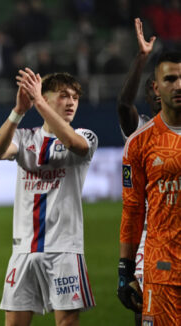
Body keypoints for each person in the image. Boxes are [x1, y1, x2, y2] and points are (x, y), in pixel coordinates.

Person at [0, 69, 98, 326]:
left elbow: (76, 146)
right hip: (23, 250)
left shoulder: (85, 135)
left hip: (64, 250)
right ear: (46, 99)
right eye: (63, 96)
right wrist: (18, 111)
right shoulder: (25, 137)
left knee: (67, 323)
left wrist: (37, 102)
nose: (71, 101)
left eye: (74, 97)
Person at [119, 51, 181, 326]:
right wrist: (125, 269)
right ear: (156, 87)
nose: (178, 85)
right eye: (170, 79)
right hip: (161, 267)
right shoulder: (139, 142)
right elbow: (131, 210)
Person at [115, 17, 160, 326]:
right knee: (146, 316)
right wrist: (141, 58)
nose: (160, 91)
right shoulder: (142, 131)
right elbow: (122, 105)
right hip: (149, 238)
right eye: (153, 86)